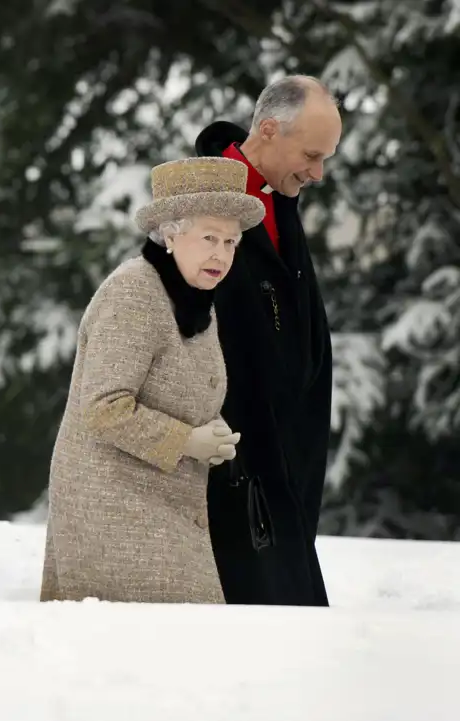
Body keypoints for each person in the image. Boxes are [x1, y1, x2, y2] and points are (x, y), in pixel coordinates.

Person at [40, 156, 265, 603]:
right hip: (111, 502)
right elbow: (103, 407)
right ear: (170, 233)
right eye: (208, 238)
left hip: (164, 501)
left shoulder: (196, 296)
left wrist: (212, 428)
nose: (221, 253)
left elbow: (182, 385)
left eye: (231, 241)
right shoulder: (134, 293)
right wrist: (187, 440)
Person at [194, 75, 342, 606]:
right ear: (270, 130)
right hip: (235, 478)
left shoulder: (280, 199)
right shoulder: (200, 208)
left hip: (290, 472)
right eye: (311, 154)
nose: (319, 172)